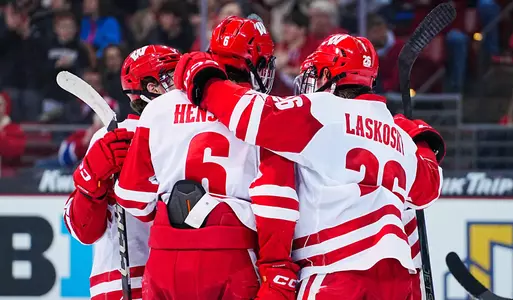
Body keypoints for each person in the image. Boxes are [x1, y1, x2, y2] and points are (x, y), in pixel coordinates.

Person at [175, 33, 445, 299]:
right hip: (398, 279)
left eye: (316, 73)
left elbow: (250, 115)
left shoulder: (321, 110)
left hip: (335, 271)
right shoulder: (398, 134)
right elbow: (428, 190)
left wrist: (206, 81)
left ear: (329, 75)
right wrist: (421, 140)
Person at [115, 16, 299, 300]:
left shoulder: (158, 108)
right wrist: (276, 266)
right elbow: (275, 203)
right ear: (250, 62)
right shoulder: (263, 114)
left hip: (165, 256)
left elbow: (132, 198)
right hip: (231, 255)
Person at [63, 45, 181, 300]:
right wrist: (91, 177)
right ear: (148, 88)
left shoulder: (193, 130)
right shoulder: (111, 138)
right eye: (171, 78)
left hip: (181, 279)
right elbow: (82, 231)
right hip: (120, 283)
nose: (181, 86)